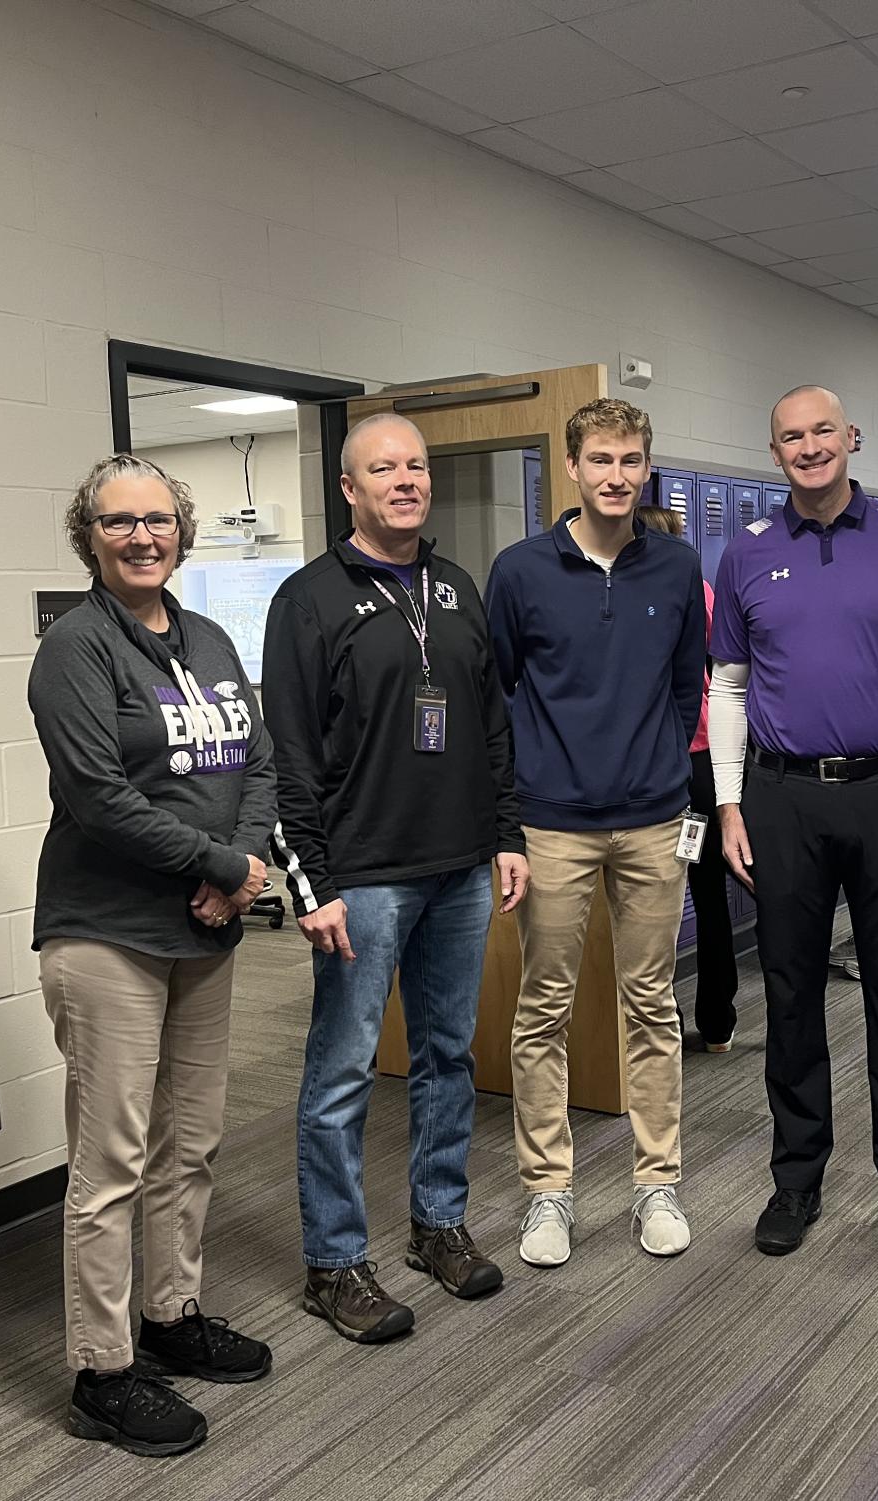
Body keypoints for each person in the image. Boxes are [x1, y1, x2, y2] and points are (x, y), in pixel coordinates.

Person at [29, 453, 277, 1459]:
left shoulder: (210, 636)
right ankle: (102, 1368)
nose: (141, 536)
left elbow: (256, 759)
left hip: (202, 931)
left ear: (182, 529)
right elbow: (98, 794)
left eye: (157, 520)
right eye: (117, 521)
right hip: (107, 934)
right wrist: (222, 861)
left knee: (192, 1142)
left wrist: (246, 864)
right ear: (88, 535)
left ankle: (172, 1315)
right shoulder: (76, 649)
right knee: (113, 1159)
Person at [263, 412, 529, 1343]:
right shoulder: (308, 599)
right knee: (340, 1073)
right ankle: (334, 1263)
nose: (406, 480)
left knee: (447, 1057)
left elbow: (491, 724)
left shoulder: (454, 586)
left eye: (415, 465)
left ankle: (437, 1225)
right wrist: (312, 884)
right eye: (384, 467)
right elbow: (287, 758)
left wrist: (506, 833)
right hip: (362, 878)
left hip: (458, 868)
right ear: (350, 487)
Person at [709, 385, 878, 1261]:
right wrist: (728, 802)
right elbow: (729, 691)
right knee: (788, 992)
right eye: (791, 435)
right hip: (782, 798)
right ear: (774, 449)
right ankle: (797, 1178)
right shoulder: (743, 556)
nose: (809, 446)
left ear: (851, 437)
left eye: (823, 430)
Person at [489, 400, 706, 1269]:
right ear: (571, 468)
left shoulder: (676, 566)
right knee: (542, 1008)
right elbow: (498, 699)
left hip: (655, 821)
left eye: (631, 460)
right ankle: (548, 1193)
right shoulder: (519, 571)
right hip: (551, 824)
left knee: (651, 1003)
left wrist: (653, 765)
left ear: (645, 467)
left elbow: (688, 690)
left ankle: (657, 1182)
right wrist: (512, 812)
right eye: (601, 459)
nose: (617, 475)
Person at [638, 501, 739, 1052]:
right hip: (704, 758)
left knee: (659, 897)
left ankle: (664, 1016)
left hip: (665, 763)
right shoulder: (700, 590)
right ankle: (718, 1021)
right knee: (709, 893)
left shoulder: (639, 593)